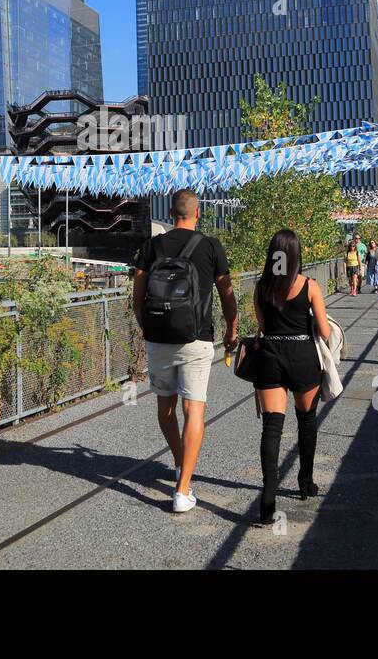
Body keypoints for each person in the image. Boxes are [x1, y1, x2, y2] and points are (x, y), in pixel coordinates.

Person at [133, 189, 238, 513]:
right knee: (194, 411)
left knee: (165, 409)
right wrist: (231, 329)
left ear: (170, 213)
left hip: (159, 340)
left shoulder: (151, 246)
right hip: (197, 339)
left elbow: (137, 298)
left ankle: (181, 462)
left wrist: (148, 330)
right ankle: (182, 489)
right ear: (198, 214)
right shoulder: (210, 246)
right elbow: (227, 294)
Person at [248, 229, 330, 525]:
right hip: (303, 357)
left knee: (272, 428)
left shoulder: (261, 287)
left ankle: (268, 501)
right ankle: (305, 482)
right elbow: (325, 331)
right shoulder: (309, 286)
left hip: (270, 357)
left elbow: (262, 324)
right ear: (296, 256)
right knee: (306, 420)